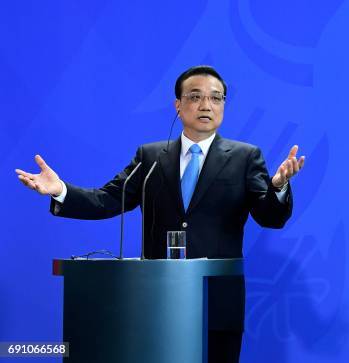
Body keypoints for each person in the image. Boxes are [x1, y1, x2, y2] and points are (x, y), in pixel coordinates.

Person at [15, 65, 305, 362]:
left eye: (216, 98)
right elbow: (108, 199)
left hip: (216, 301)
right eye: (195, 96)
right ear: (178, 105)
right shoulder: (151, 156)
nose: (206, 105)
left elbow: (270, 216)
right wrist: (60, 189)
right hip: (155, 300)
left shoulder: (246, 156)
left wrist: (279, 187)